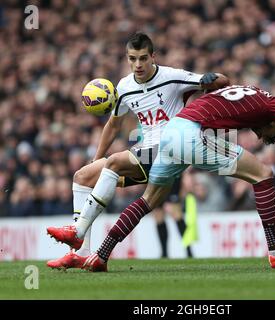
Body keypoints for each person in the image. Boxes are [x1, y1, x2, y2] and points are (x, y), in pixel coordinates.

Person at [49, 84, 275, 271]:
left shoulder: (248, 92)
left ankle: (100, 256)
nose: (267, 137)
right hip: (191, 135)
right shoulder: (273, 106)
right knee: (263, 174)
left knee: (150, 199)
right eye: (274, 133)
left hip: (171, 134)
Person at [46, 32, 229, 269]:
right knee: (83, 176)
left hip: (171, 148)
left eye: (143, 58)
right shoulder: (124, 87)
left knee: (115, 163)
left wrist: (213, 78)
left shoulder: (172, 77)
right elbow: (114, 124)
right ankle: (80, 253)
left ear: (153, 56)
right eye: (133, 59)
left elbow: (220, 81)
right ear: (127, 58)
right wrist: (95, 159)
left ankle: (78, 231)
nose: (138, 64)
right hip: (146, 151)